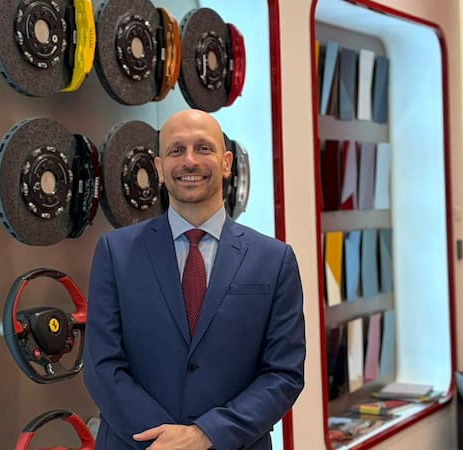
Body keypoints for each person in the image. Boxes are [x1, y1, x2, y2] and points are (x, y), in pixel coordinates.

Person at [83, 109, 305, 450]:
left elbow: (284, 374)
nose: (189, 161)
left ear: (227, 162)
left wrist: (206, 435)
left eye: (203, 148)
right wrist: (166, 441)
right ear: (159, 168)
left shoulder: (274, 260)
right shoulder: (115, 252)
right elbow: (101, 366)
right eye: (176, 150)